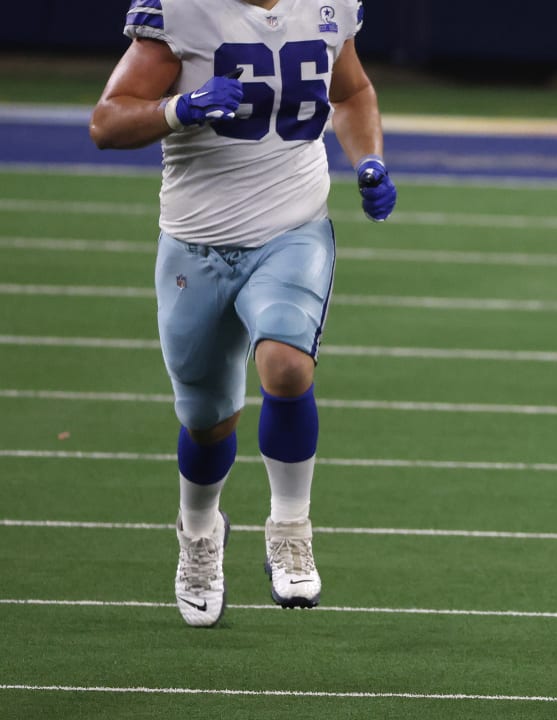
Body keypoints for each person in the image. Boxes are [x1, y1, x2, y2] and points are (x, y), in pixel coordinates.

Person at [89, 0, 397, 628]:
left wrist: (369, 159)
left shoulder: (328, 7)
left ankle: (290, 527)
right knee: (207, 420)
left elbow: (354, 90)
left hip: (292, 228)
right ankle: (200, 530)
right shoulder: (180, 12)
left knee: (286, 367)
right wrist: (180, 107)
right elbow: (106, 121)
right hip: (195, 242)